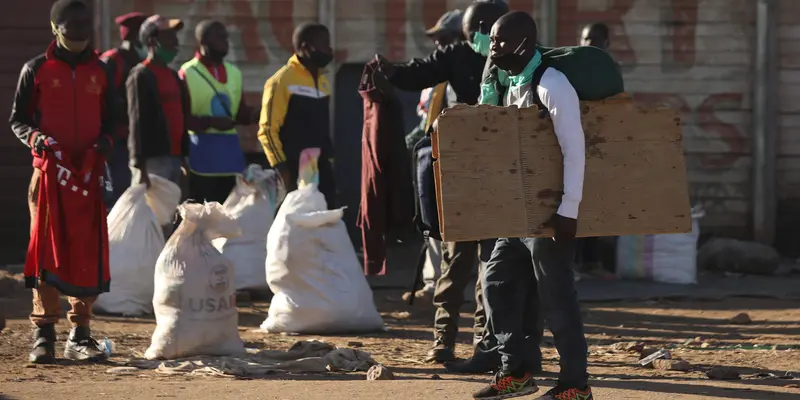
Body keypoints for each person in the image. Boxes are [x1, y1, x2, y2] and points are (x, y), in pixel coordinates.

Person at [374, 0, 508, 363]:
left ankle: (485, 343)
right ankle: (443, 341)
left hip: (503, 177)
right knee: (456, 261)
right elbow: (418, 72)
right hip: (463, 175)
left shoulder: (520, 59)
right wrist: (390, 71)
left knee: (492, 266)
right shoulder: (460, 55)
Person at [472, 11, 592, 400]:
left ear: (524, 43)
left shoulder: (551, 83)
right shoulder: (510, 83)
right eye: (491, 41)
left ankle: (575, 387)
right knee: (496, 284)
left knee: (557, 301)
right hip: (519, 213)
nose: (493, 49)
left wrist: (568, 210)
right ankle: (517, 372)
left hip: (550, 214)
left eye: (500, 42)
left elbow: (575, 150)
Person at [9, 0, 115, 364]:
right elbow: (18, 120)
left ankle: (80, 334)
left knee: (86, 250)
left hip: (87, 176)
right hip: (49, 178)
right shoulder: (35, 69)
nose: (80, 31)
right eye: (73, 25)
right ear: (57, 28)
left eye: (86, 24)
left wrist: (102, 145)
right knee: (45, 253)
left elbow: (114, 123)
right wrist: (36, 138)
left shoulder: (102, 72)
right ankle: (44, 335)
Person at [404, 9, 463, 303]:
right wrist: (409, 144)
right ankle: (433, 284)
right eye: (438, 40)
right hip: (433, 158)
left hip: (462, 158)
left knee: (461, 227)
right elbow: (424, 123)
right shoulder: (432, 80)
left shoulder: (470, 73)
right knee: (431, 222)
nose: (440, 46)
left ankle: (457, 286)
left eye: (447, 39)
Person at [258, 22, 336, 207]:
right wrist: (282, 168)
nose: (329, 49)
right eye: (323, 44)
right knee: (292, 225)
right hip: (293, 169)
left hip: (320, 168)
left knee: (323, 223)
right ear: (305, 47)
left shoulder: (324, 82)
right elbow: (267, 130)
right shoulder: (281, 81)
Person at [180, 20, 259, 204]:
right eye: (220, 37)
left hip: (230, 158)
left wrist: (255, 114)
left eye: (226, 37)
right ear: (203, 40)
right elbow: (182, 119)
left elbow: (239, 113)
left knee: (231, 216)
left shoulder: (234, 73)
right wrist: (210, 122)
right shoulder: (187, 72)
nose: (226, 41)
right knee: (203, 216)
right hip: (202, 156)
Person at [126, 15, 188, 237]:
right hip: (152, 162)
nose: (175, 42)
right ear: (153, 41)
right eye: (169, 36)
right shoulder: (141, 75)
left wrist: (183, 156)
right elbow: (137, 122)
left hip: (173, 158)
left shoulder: (173, 76)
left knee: (169, 221)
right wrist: (139, 166)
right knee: (151, 222)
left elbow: (182, 116)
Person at [100, 12, 149, 208]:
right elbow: (103, 101)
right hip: (117, 142)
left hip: (138, 141)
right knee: (119, 197)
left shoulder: (143, 62)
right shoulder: (112, 61)